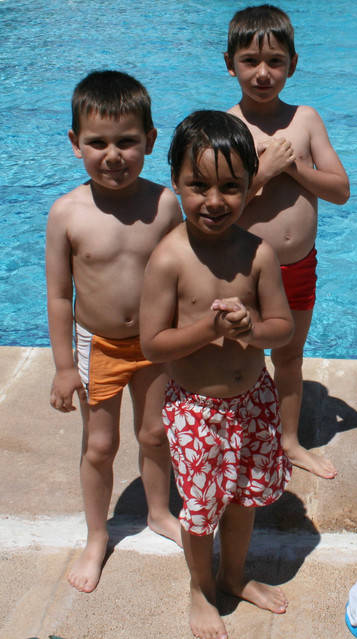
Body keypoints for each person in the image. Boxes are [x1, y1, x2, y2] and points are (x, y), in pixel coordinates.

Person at [140, 110, 294, 639]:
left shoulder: (258, 254)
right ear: (176, 182)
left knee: (245, 499)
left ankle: (233, 576)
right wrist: (207, 330)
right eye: (198, 184)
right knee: (202, 511)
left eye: (231, 186)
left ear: (251, 186)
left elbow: (283, 327)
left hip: (252, 402)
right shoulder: (169, 259)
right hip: (195, 411)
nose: (214, 199)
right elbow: (152, 343)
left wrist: (251, 329)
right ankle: (200, 589)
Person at [45, 70, 183, 593]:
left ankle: (155, 512)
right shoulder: (67, 214)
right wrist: (63, 367)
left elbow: (184, 273)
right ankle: (97, 535)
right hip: (96, 344)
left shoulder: (164, 204)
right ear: (75, 143)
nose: (113, 154)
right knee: (99, 445)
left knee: (154, 433)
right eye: (97, 142)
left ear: (149, 141)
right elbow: (61, 297)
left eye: (127, 141)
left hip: (154, 343)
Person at [225, 4, 350, 479]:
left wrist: (295, 167)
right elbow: (216, 208)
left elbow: (340, 190)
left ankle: (289, 441)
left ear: (292, 65)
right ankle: (241, 439)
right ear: (229, 62)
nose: (263, 73)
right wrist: (264, 172)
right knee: (240, 352)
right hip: (242, 267)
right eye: (250, 61)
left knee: (289, 356)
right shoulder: (225, 125)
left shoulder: (306, 120)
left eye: (275, 61)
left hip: (297, 265)